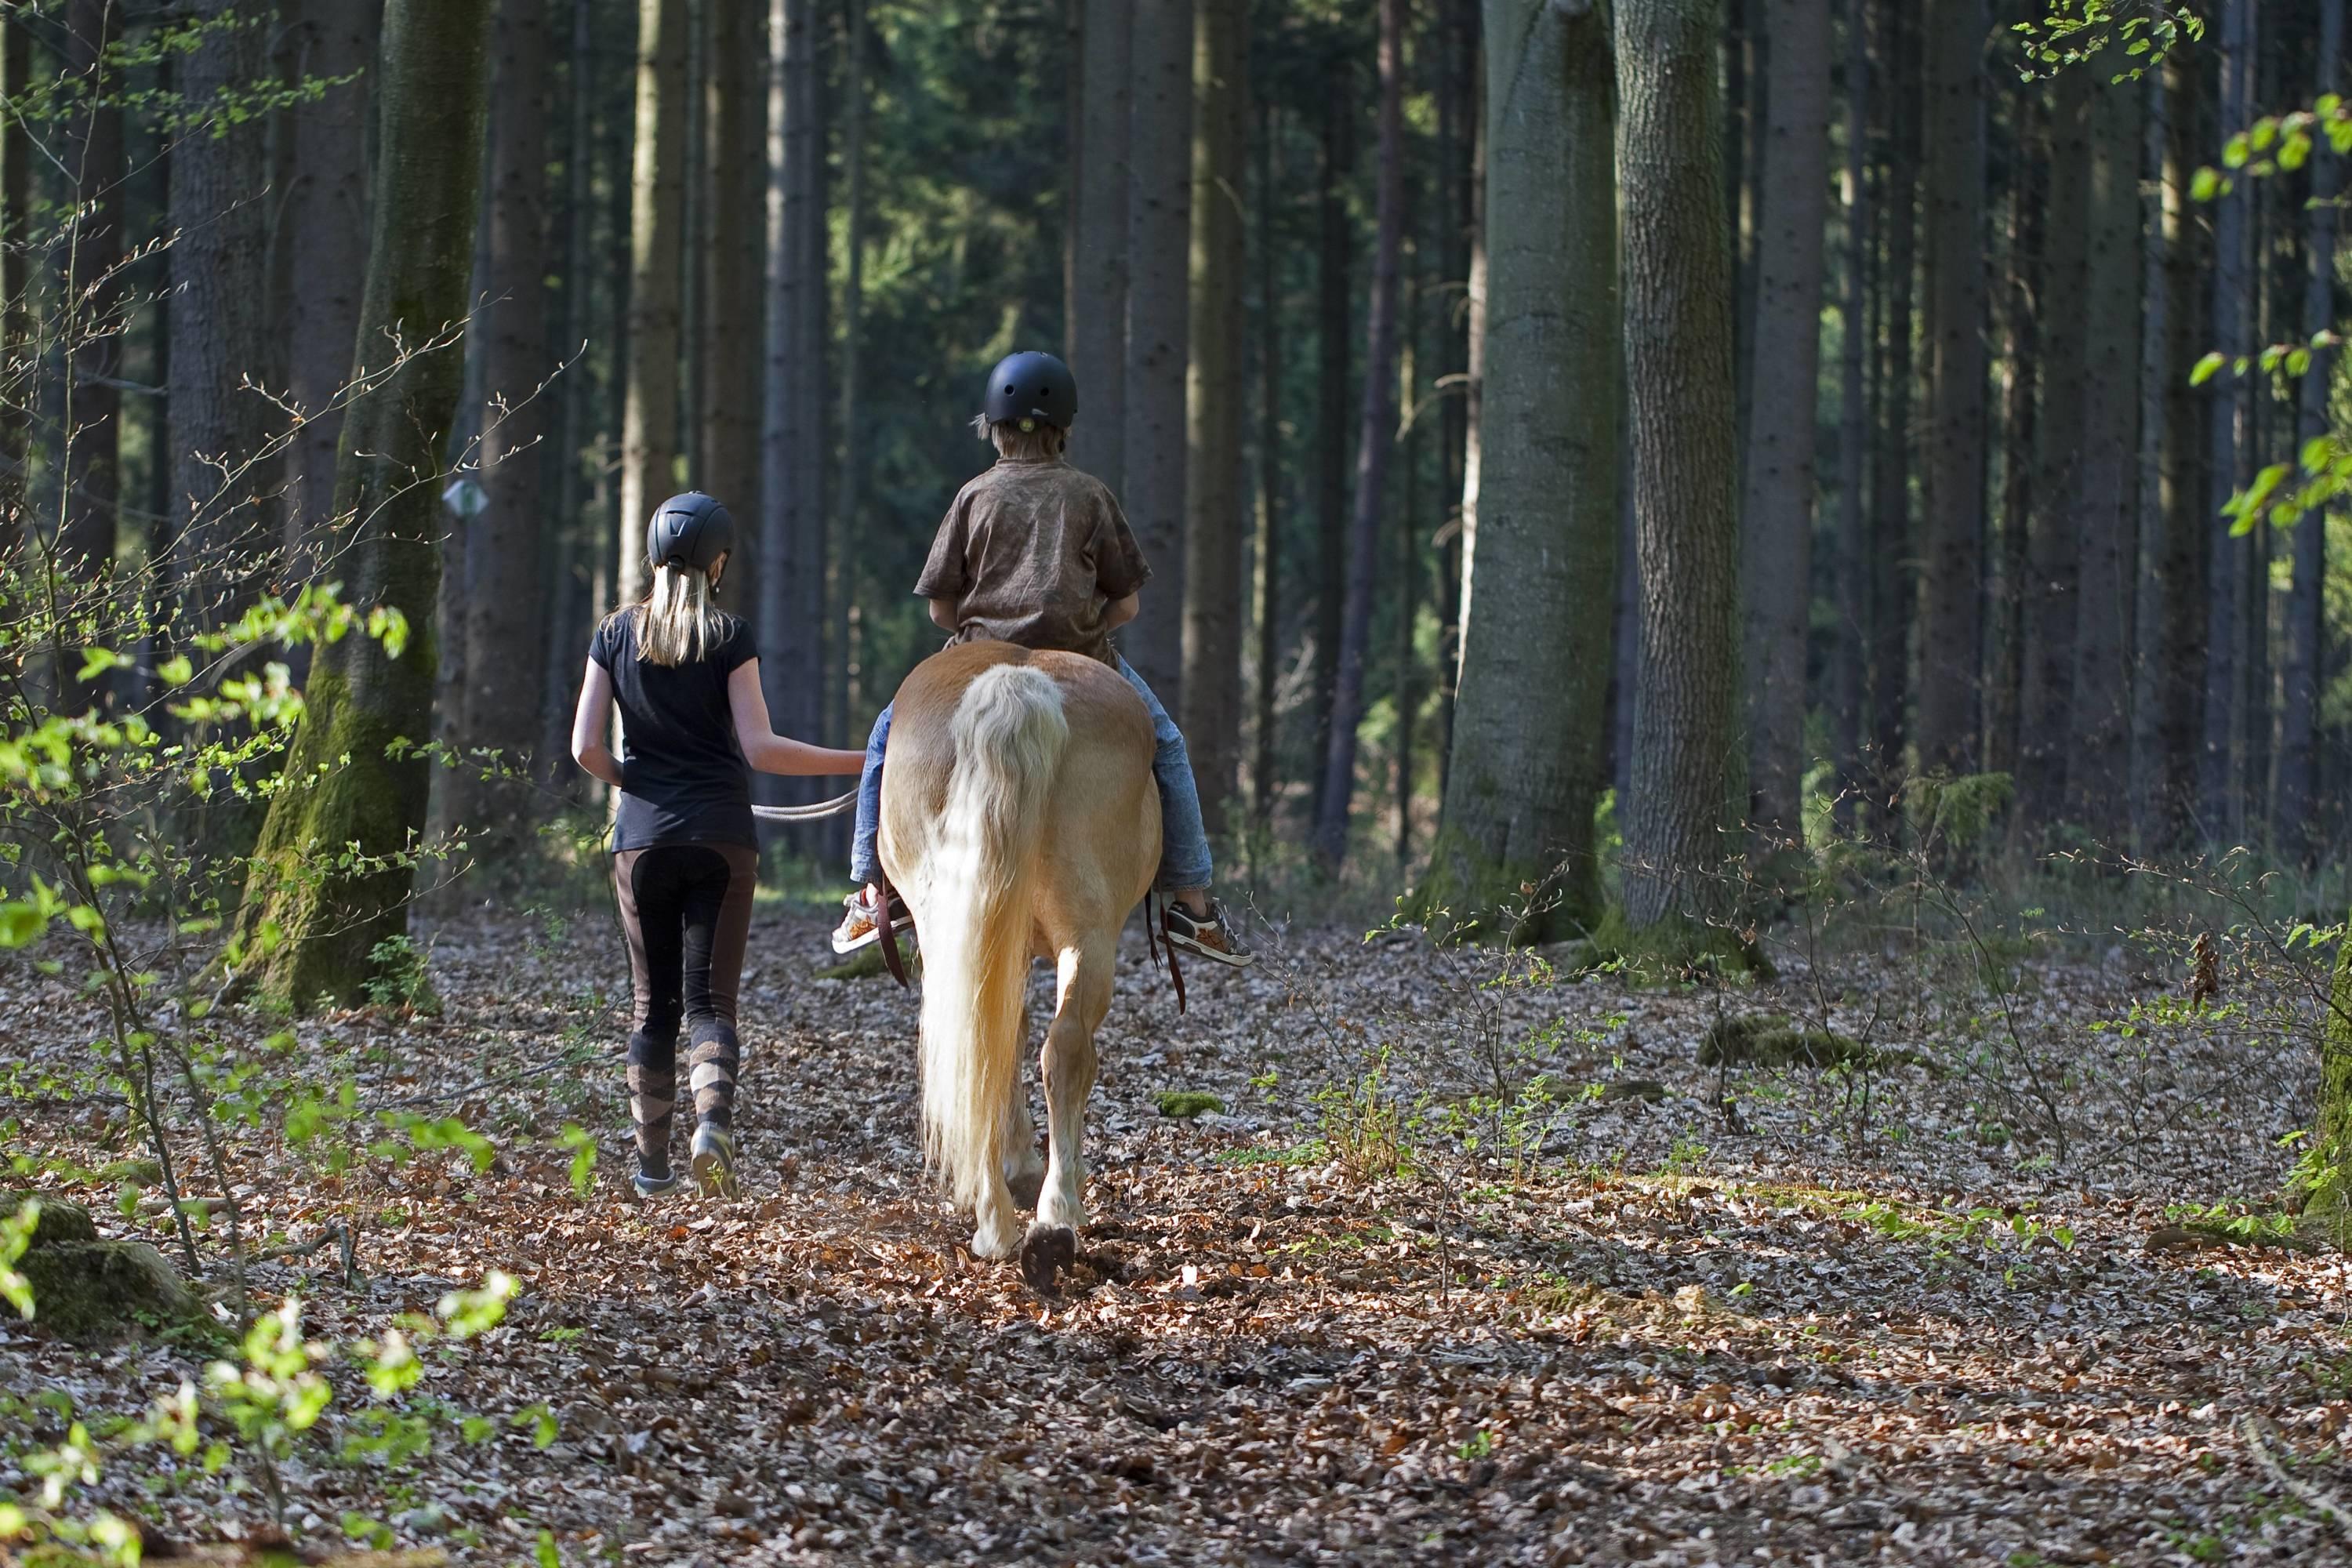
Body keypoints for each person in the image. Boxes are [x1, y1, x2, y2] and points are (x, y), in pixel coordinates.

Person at [831, 351, 1254, 969]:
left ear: (994, 428)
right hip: (1082, 653)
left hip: (975, 657)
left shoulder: (972, 496)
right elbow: (1128, 605)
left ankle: (872, 890)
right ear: (1064, 428)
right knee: (1166, 743)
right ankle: (1193, 902)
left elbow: (940, 611)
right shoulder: (1090, 495)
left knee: (885, 741)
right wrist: (1087, 628)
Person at [572, 492, 866, 1200]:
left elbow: (584, 748)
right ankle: (712, 1128)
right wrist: (867, 761)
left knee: (652, 1008)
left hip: (641, 840)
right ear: (720, 563)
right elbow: (762, 748)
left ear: (652, 555)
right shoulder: (729, 635)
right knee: (712, 1004)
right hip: (724, 838)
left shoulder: (613, 635)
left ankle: (652, 1170)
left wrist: (636, 784)